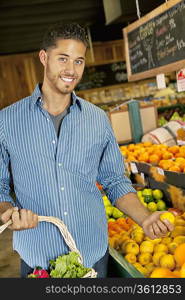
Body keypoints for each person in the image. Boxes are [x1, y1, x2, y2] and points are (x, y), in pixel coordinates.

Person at [0, 22, 173, 278]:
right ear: (44, 58)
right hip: (37, 256)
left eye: (79, 61)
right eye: (63, 59)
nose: (71, 70)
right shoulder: (7, 121)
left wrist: (145, 218)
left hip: (92, 254)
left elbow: (114, 181)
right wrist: (8, 213)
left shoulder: (97, 120)